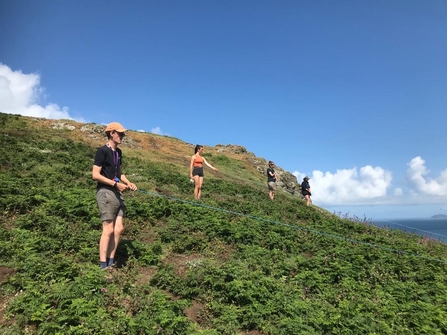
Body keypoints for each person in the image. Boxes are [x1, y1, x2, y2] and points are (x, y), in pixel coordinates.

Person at [92, 122, 137, 269]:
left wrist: (128, 183)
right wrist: (115, 184)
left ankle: (111, 262)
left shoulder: (118, 153)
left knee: (119, 229)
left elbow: (119, 174)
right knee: (108, 229)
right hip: (105, 192)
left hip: (116, 192)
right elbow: (95, 175)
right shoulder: (102, 151)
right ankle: (102, 265)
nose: (123, 136)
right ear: (112, 133)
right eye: (120, 133)